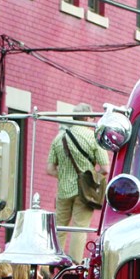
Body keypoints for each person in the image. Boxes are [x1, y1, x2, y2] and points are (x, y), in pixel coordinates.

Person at [47, 103, 109, 264]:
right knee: (79, 227)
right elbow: (105, 168)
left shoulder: (59, 138)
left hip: (63, 191)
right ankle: (74, 263)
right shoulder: (93, 137)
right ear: (87, 118)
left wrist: (63, 176)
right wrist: (91, 176)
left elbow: (50, 169)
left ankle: (54, 262)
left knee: (59, 227)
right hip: (85, 192)